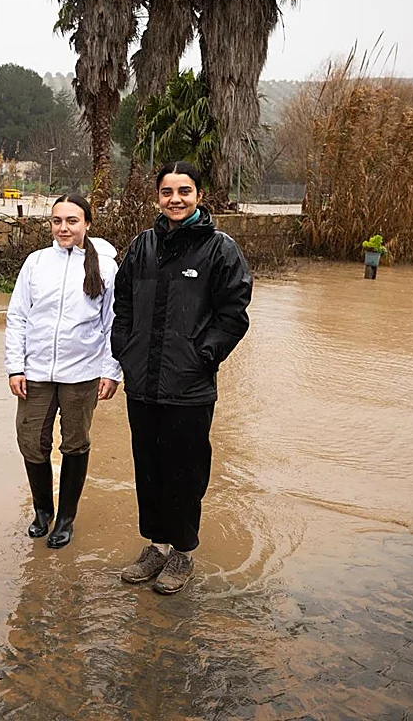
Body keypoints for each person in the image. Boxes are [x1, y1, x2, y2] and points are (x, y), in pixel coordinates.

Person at [112, 161, 251, 595]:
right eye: (167, 192)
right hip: (143, 383)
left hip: (190, 387)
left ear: (199, 195)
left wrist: (203, 356)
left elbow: (233, 315)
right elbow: (123, 305)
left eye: (184, 191)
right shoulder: (142, 246)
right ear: (158, 197)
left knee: (186, 472)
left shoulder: (219, 249)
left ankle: (183, 552)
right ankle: (154, 545)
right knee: (148, 467)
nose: (175, 199)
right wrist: (125, 351)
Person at [4, 195, 121, 549]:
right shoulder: (36, 262)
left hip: (82, 373)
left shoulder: (105, 266)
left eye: (72, 220)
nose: (63, 228)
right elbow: (18, 316)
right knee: (31, 442)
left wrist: (110, 370)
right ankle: (43, 511)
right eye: (57, 221)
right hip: (36, 373)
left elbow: (113, 322)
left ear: (87, 223)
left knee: (75, 443)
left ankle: (65, 518)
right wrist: (15, 367)